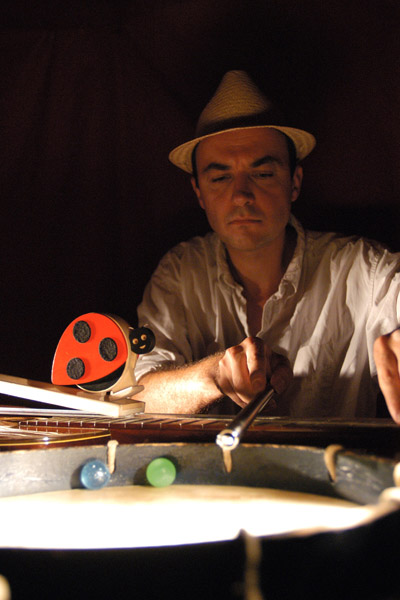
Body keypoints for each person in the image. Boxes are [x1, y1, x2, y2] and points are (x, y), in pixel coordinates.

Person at [134, 70, 400, 423]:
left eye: (262, 174)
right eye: (220, 177)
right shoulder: (180, 274)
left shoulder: (364, 270)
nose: (241, 196)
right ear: (199, 193)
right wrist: (213, 375)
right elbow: (142, 395)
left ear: (294, 182)